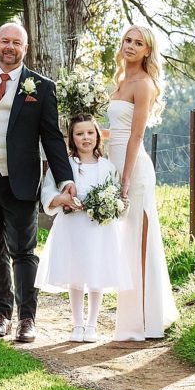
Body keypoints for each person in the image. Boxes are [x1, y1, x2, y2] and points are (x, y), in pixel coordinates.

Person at [0, 23, 77, 343]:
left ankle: (27, 318)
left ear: (25, 48)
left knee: (24, 251)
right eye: (5, 41)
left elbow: (52, 138)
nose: (10, 47)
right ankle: (1, 313)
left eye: (16, 42)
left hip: (22, 181)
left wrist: (65, 178)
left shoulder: (40, 86)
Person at [107, 25, 179, 341]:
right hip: (112, 164)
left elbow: (136, 135)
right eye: (127, 40)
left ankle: (149, 321)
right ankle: (129, 319)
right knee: (123, 245)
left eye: (138, 43)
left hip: (134, 171)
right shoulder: (120, 81)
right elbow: (115, 131)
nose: (131, 46)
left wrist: (124, 179)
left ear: (147, 51)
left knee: (140, 242)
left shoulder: (144, 85)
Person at [35, 114, 132, 343]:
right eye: (79, 134)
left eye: (90, 133)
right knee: (75, 273)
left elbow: (116, 197)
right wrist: (61, 199)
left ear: (98, 136)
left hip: (99, 229)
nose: (85, 138)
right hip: (72, 227)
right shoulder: (64, 166)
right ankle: (77, 324)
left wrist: (116, 205)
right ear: (72, 138)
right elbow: (48, 191)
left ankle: (92, 324)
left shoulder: (107, 167)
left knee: (96, 272)